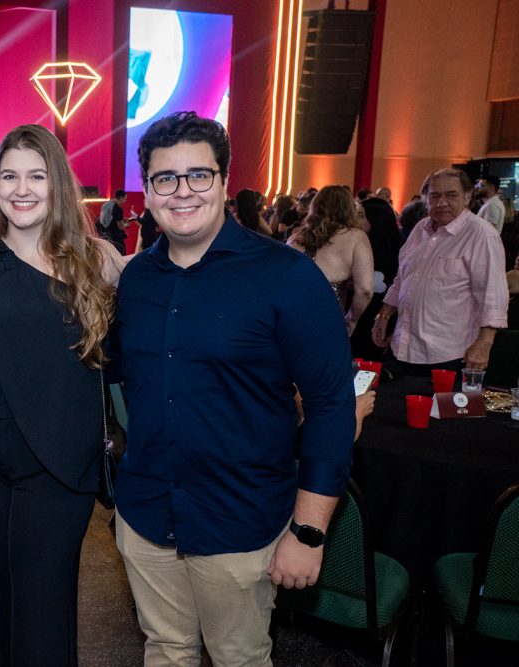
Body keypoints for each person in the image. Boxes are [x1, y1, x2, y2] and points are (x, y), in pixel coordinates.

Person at [109, 111, 356, 666]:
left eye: (199, 175)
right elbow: (120, 375)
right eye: (165, 178)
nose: (182, 192)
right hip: (147, 516)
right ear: (146, 192)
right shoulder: (136, 279)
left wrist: (309, 533)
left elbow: (330, 407)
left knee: (238, 658)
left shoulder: (286, 276)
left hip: (240, 523)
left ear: (223, 182)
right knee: (166, 650)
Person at [0, 124, 123, 666]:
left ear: (59, 184)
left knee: (43, 612)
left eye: (37, 176)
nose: (21, 189)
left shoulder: (99, 261)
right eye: (9, 176)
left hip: (59, 461)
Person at [372, 168, 508, 375]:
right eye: (435, 196)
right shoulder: (420, 229)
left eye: (451, 195)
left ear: (467, 197)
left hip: (449, 355)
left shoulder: (481, 235)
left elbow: (493, 296)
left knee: (439, 408)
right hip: (402, 348)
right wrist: (383, 315)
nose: (441, 203)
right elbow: (402, 279)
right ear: (426, 199)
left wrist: (484, 344)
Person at [288, 186, 375, 334]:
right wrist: (352, 319)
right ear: (348, 209)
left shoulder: (295, 238)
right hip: (328, 324)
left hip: (290, 321)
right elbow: (365, 290)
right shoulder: (356, 237)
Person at [350, 198, 402, 361]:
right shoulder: (355, 244)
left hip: (380, 320)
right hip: (355, 318)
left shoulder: (397, 250)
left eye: (361, 215)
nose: (355, 220)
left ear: (376, 219)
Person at [100, 190, 130, 254]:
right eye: (124, 199)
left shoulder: (107, 206)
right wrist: (127, 224)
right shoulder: (119, 210)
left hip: (106, 238)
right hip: (116, 240)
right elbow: (121, 227)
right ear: (121, 198)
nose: (124, 201)